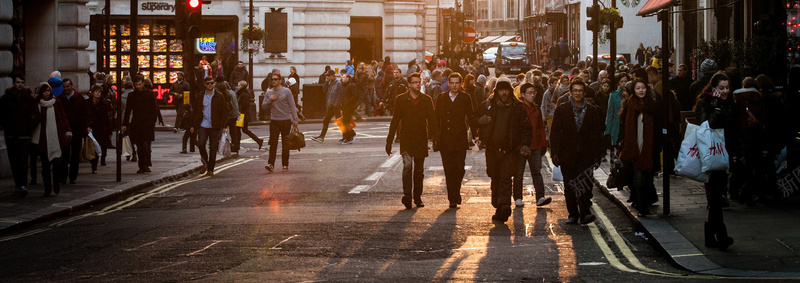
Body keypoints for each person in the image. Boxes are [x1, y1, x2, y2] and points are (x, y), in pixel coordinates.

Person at [477, 77, 532, 222]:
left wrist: (525, 144)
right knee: (495, 176)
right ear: (496, 91)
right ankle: (498, 205)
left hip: (510, 149)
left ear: (511, 90)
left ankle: (504, 205)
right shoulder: (488, 105)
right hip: (492, 149)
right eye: (501, 90)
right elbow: (474, 119)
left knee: (506, 178)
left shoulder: (518, 107)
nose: (504, 93)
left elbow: (526, 128)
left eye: (506, 90)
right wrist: (479, 122)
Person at [694, 72, 738, 250]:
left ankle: (710, 235)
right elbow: (705, 126)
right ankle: (721, 236)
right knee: (716, 194)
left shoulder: (731, 103)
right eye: (722, 88)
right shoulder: (705, 102)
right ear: (714, 88)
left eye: (727, 87)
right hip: (711, 153)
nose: (726, 91)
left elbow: (734, 129)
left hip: (726, 152)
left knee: (717, 196)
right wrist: (717, 107)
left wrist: (736, 152)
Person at [550, 79, 603, 225]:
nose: (578, 93)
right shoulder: (562, 109)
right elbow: (554, 132)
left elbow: (597, 134)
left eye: (580, 91)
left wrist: (598, 155)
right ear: (570, 92)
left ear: (584, 93)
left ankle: (585, 213)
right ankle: (573, 214)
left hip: (586, 155)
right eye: (575, 91)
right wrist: (555, 152)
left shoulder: (592, 110)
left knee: (585, 184)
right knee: (570, 185)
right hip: (567, 154)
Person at [386, 73, 439, 209]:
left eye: (418, 82)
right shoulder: (401, 99)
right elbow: (395, 120)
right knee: (407, 167)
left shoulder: (426, 100)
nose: (417, 84)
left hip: (421, 138)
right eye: (414, 82)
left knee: (419, 170)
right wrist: (389, 140)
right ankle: (407, 196)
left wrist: (436, 139)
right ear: (409, 84)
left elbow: (433, 120)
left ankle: (417, 197)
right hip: (407, 138)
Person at [619, 78, 663, 216]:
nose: (641, 90)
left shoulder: (653, 104)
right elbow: (623, 126)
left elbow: (659, 126)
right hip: (634, 147)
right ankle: (642, 206)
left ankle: (643, 201)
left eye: (643, 87)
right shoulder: (629, 104)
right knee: (638, 178)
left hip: (649, 148)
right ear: (633, 90)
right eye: (638, 88)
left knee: (647, 179)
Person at [434, 73, 479, 208]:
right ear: (448, 83)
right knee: (449, 169)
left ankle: (456, 192)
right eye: (452, 83)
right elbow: (436, 118)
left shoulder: (465, 97)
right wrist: (435, 138)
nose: (454, 85)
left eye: (457, 83)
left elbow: (470, 116)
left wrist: (476, 134)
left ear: (461, 84)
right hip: (445, 139)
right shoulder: (441, 98)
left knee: (459, 168)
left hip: (459, 138)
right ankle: (452, 198)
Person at [31, 83, 71, 197]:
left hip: (55, 136)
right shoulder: (37, 104)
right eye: (44, 91)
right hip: (42, 137)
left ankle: (56, 183)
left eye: (48, 91)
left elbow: (63, 116)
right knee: (45, 166)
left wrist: (68, 130)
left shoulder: (56, 103)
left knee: (57, 163)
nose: (46, 93)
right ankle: (47, 189)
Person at [516, 82, 551, 207]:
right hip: (521, 146)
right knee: (518, 173)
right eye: (529, 93)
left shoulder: (536, 109)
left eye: (533, 93)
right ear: (523, 94)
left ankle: (540, 197)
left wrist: (543, 143)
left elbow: (541, 128)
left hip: (535, 146)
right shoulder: (518, 108)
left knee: (536, 171)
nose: (532, 95)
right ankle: (518, 197)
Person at [1, 74, 37, 197]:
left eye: (22, 82)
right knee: (14, 161)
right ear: (14, 84)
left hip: (24, 135)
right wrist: (7, 126)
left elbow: (35, 116)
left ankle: (23, 185)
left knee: (23, 161)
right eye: (18, 82)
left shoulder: (29, 99)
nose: (20, 85)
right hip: (11, 134)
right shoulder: (6, 98)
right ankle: (18, 183)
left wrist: (28, 126)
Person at [191, 76, 230, 177]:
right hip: (203, 125)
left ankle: (210, 169)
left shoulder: (219, 96)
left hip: (215, 125)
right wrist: (193, 125)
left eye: (211, 83)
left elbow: (224, 111)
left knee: (213, 148)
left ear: (215, 84)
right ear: (204, 84)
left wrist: (224, 126)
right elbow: (196, 112)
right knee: (201, 144)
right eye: (208, 83)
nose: (210, 85)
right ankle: (206, 163)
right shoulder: (200, 96)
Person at [123, 74, 163, 174]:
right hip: (137, 123)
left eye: (140, 84)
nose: (138, 86)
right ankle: (142, 166)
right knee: (140, 146)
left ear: (143, 83)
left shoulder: (150, 94)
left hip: (148, 123)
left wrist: (153, 121)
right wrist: (124, 124)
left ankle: (146, 164)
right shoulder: (131, 95)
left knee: (146, 145)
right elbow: (128, 110)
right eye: (136, 84)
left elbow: (154, 109)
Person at [261, 72, 300, 172]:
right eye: (272, 79)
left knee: (285, 144)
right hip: (274, 121)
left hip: (285, 120)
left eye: (275, 79)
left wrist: (295, 119)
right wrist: (271, 99)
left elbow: (292, 105)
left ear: (280, 81)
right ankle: (271, 164)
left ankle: (285, 164)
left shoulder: (286, 91)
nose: (273, 81)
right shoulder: (269, 93)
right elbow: (263, 106)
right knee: (273, 143)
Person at [58, 78, 92, 184]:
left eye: (68, 86)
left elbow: (86, 113)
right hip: (65, 130)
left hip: (77, 129)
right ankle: (63, 176)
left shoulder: (79, 98)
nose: (66, 89)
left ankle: (73, 177)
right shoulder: (60, 99)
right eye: (64, 87)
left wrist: (87, 126)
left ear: (72, 85)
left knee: (75, 155)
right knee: (65, 154)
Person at [311, 70, 342, 143]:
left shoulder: (338, 83)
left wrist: (336, 104)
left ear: (333, 75)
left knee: (338, 122)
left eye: (328, 75)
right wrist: (326, 81)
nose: (327, 77)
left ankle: (346, 135)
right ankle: (321, 137)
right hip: (330, 105)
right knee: (327, 120)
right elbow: (324, 90)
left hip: (335, 106)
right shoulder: (330, 82)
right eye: (326, 75)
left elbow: (339, 95)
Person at [87, 85, 112, 173]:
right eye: (96, 91)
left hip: (101, 127)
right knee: (93, 146)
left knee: (102, 145)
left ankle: (102, 159)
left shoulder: (104, 103)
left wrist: (109, 131)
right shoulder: (88, 102)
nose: (97, 93)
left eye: (99, 92)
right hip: (92, 128)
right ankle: (94, 165)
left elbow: (107, 118)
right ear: (93, 92)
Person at [606, 72, 629, 158]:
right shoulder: (613, 95)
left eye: (625, 81)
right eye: (621, 81)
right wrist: (607, 130)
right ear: (618, 82)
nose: (623, 83)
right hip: (616, 123)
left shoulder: (631, 94)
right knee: (615, 147)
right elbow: (610, 113)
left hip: (627, 123)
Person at [236, 81, 264, 149]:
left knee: (238, 130)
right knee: (243, 130)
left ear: (242, 86)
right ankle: (258, 140)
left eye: (239, 85)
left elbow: (244, 105)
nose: (237, 87)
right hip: (242, 115)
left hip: (242, 115)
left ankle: (237, 145)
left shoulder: (244, 94)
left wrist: (238, 110)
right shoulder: (242, 93)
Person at [339, 73, 359, 144]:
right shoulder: (344, 86)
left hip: (349, 106)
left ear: (348, 78)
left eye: (344, 77)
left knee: (345, 122)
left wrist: (347, 102)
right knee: (345, 122)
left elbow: (355, 96)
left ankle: (349, 137)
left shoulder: (351, 86)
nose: (343, 78)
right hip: (345, 106)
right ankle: (350, 135)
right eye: (342, 77)